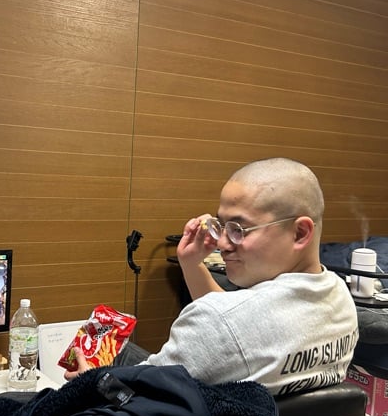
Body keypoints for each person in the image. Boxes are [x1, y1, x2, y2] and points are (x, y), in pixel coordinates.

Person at [65, 157, 359, 396]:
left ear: (299, 233)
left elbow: (125, 398)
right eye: (222, 226)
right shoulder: (340, 300)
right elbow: (240, 329)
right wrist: (191, 264)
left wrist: (92, 383)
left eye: (239, 229)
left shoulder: (220, 322)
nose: (223, 244)